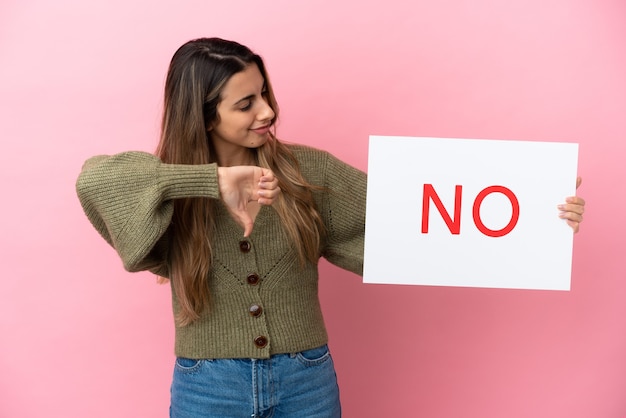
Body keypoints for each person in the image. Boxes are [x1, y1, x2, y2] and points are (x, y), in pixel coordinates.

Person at [75, 37, 586, 418]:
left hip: (307, 380)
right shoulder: (171, 186)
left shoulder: (306, 171)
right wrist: (211, 180)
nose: (268, 111)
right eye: (246, 103)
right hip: (207, 385)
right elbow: (96, 180)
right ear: (204, 116)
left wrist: (539, 210)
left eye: (264, 93)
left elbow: (411, 211)